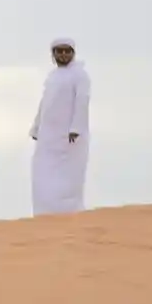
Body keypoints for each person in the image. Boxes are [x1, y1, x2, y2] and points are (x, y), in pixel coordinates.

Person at [28, 37, 92, 215]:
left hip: (69, 138)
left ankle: (69, 213)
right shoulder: (52, 76)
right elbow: (45, 103)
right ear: (53, 54)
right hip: (48, 137)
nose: (63, 54)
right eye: (59, 51)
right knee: (42, 174)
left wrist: (76, 128)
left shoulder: (80, 75)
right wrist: (36, 127)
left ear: (73, 53)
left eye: (67, 51)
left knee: (68, 178)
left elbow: (82, 101)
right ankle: (45, 213)